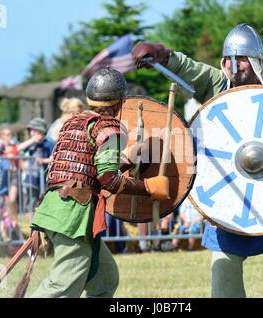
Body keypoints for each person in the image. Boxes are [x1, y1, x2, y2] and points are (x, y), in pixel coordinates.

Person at [133, 23, 263, 298]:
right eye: (228, 58)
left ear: (255, 62)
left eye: (241, 58)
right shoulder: (217, 85)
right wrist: (163, 56)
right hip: (229, 199)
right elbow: (190, 69)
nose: (233, 64)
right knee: (223, 276)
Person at [29, 67, 170, 298]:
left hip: (58, 206)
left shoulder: (74, 123)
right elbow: (108, 179)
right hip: (72, 216)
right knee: (63, 286)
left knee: (105, 280)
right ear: (120, 102)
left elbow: (87, 170)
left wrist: (125, 162)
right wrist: (148, 187)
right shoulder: (107, 128)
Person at [19, 118, 54, 214]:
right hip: (31, 178)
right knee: (32, 203)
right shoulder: (31, 144)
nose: (32, 133)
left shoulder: (49, 143)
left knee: (44, 201)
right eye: (31, 130)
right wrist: (31, 141)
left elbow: (53, 158)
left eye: (34, 130)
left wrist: (43, 161)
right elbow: (17, 149)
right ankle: (32, 225)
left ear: (41, 131)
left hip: (44, 178)